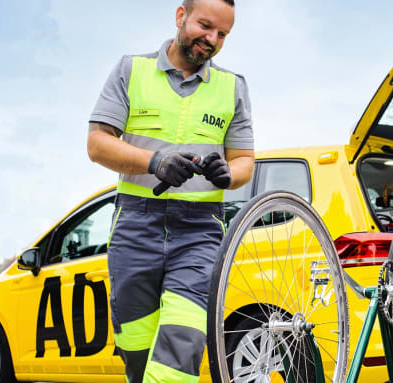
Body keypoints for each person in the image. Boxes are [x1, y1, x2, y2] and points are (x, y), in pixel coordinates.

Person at [86, 0, 253, 381]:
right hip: (135, 225)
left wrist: (227, 174)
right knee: (137, 352)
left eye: (222, 34)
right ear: (181, 16)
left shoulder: (233, 87)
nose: (211, 40)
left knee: (183, 343)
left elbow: (245, 161)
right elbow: (97, 143)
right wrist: (154, 161)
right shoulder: (132, 69)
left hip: (199, 232)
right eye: (205, 26)